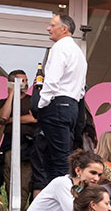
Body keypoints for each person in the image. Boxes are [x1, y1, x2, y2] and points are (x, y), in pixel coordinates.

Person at [34, 14, 87, 191]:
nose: (48, 28)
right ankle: (60, 199)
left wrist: (41, 104)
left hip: (57, 105)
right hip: (71, 106)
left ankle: (63, 203)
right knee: (61, 156)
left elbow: (52, 80)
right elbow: (81, 89)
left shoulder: (59, 48)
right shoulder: (79, 53)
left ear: (64, 29)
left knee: (57, 160)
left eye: (52, 25)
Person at [0, 70, 37, 201]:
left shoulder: (32, 100)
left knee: (25, 181)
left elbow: (34, 118)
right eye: (21, 81)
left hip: (28, 146)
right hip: (10, 146)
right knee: (9, 179)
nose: (25, 83)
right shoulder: (4, 101)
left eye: (26, 80)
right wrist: (12, 93)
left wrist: (11, 120)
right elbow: (3, 117)